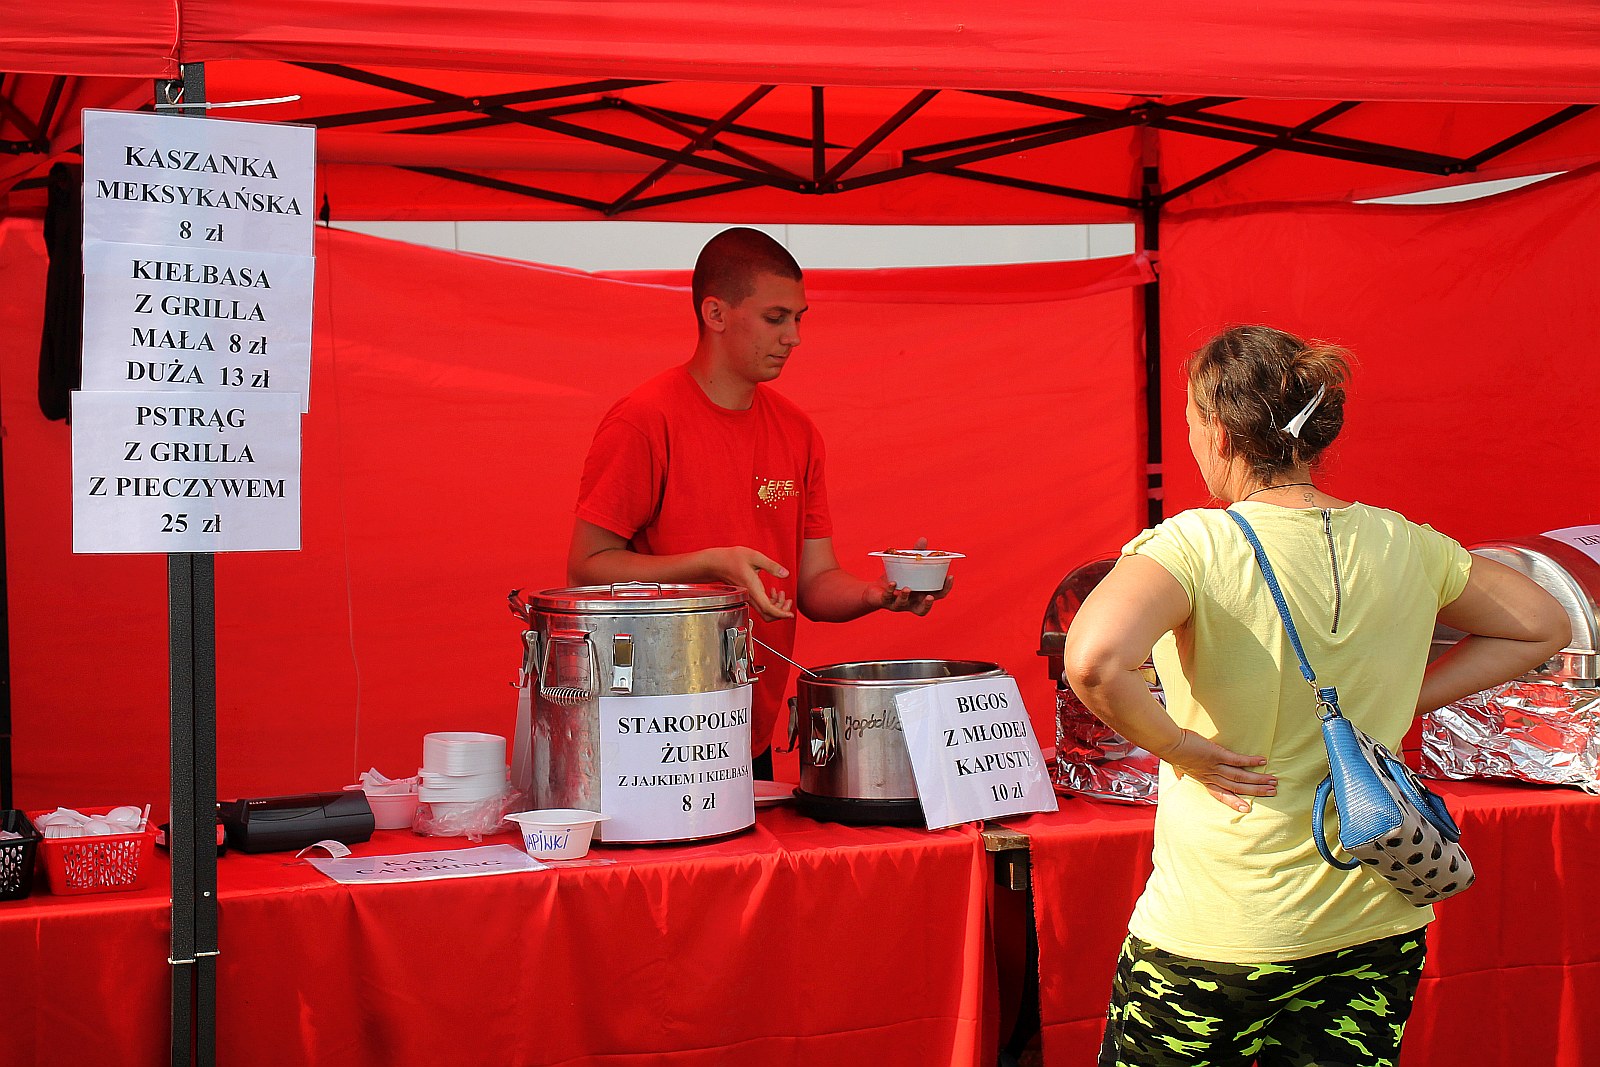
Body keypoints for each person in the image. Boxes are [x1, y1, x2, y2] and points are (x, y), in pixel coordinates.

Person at [1062, 324, 1568, 1067]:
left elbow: (1094, 661)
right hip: (1377, 917)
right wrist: (1405, 700)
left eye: (1191, 420)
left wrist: (1181, 748)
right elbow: (1543, 624)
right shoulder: (1403, 541)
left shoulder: (1195, 544)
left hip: (1224, 927)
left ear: (1220, 434)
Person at [568, 227, 950, 776]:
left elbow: (814, 583)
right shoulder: (645, 419)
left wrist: (876, 592)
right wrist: (712, 564)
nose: (793, 337)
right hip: (651, 724)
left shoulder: (797, 431)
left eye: (799, 318)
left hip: (750, 725)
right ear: (715, 314)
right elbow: (586, 569)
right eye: (776, 318)